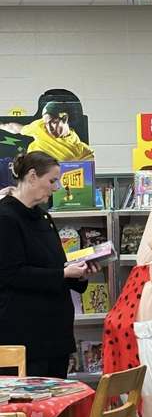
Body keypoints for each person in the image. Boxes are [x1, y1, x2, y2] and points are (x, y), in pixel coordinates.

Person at [0, 152, 92, 378]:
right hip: (25, 335)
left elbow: (57, 265)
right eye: (52, 180)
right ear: (32, 176)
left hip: (55, 335)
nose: (57, 187)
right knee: (27, 408)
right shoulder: (5, 217)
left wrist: (79, 272)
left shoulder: (44, 217)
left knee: (59, 406)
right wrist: (62, 273)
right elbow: (11, 274)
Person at [21, 101, 94, 162]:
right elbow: (18, 128)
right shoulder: (39, 126)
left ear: (65, 118)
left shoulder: (80, 149)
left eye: (53, 122)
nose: (49, 128)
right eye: (46, 123)